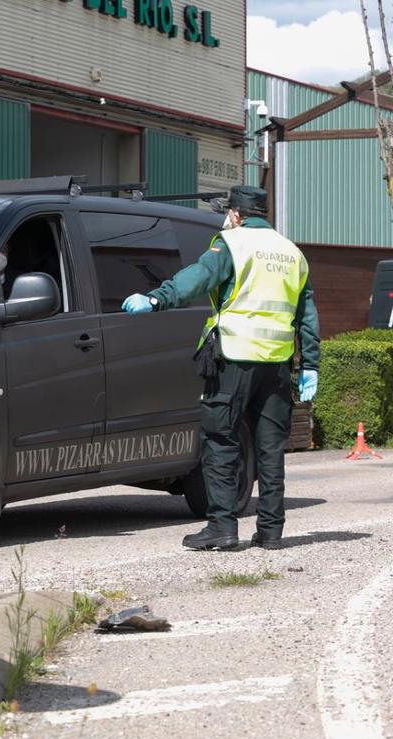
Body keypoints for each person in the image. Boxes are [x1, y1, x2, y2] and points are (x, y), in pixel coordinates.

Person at [122, 186, 320, 551]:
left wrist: (156, 297)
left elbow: (198, 276)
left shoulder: (231, 244)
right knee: (270, 448)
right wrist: (311, 365)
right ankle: (272, 532)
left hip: (233, 357)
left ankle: (222, 527)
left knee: (221, 441)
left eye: (229, 212)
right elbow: (307, 315)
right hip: (275, 366)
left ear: (237, 214)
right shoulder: (292, 253)